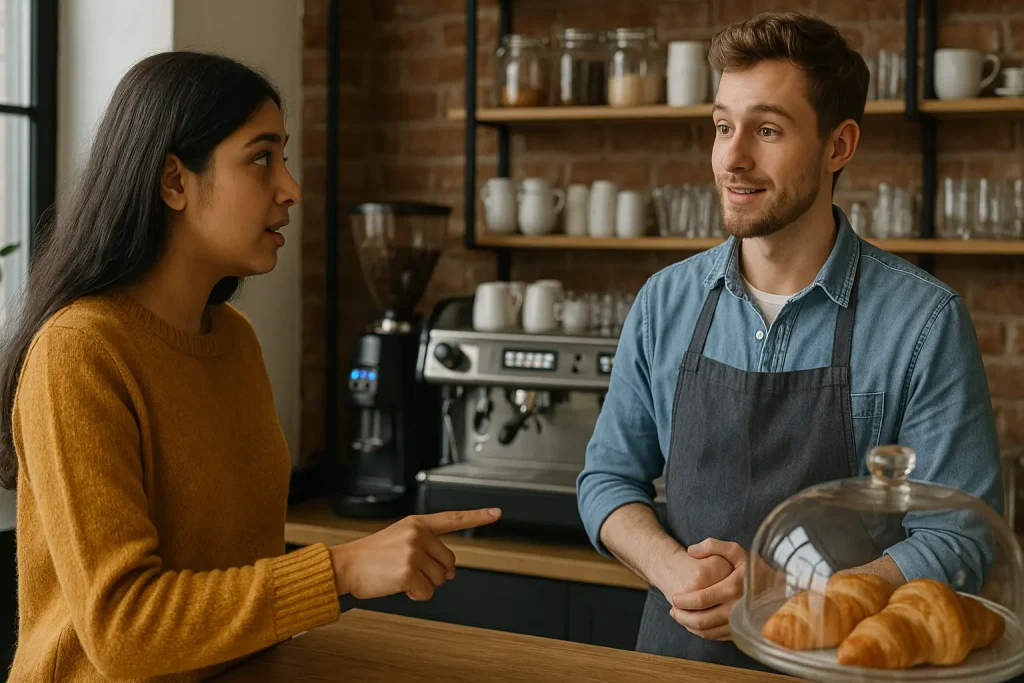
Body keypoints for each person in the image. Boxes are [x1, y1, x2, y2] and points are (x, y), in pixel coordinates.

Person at [0, 51, 501, 682]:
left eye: (283, 157)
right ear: (174, 182)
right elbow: (124, 630)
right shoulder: (79, 352)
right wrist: (341, 569)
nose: (290, 187)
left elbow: (227, 569)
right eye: (262, 158)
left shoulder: (234, 340)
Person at [576, 12, 1003, 671]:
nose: (733, 157)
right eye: (723, 126)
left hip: (842, 662)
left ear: (839, 146)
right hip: (676, 661)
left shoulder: (923, 323)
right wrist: (671, 567)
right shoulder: (665, 301)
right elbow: (606, 478)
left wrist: (801, 593)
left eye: (767, 129)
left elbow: (962, 536)